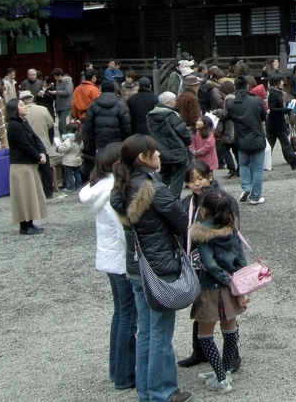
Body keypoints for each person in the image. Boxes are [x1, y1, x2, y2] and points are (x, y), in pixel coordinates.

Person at [110, 135, 192, 402]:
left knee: (145, 330)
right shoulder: (153, 188)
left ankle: (146, 390)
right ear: (142, 158)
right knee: (160, 333)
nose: (159, 155)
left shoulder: (120, 187)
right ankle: (162, 391)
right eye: (154, 151)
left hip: (136, 266)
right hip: (159, 267)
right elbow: (181, 221)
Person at [78, 144, 135, 391]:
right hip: (121, 260)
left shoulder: (98, 188)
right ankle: (124, 374)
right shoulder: (113, 192)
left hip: (109, 259)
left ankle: (117, 368)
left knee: (120, 314)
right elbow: (123, 233)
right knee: (128, 317)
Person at [189, 188, 249, 393]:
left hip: (210, 289)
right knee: (230, 329)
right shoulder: (232, 229)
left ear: (204, 211)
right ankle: (225, 369)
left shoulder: (202, 233)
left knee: (205, 334)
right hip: (231, 289)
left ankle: (221, 379)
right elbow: (241, 260)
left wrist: (223, 279)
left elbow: (209, 264)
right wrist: (236, 285)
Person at [7, 98, 49, 235]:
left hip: (29, 164)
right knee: (23, 196)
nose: (25, 107)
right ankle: (24, 225)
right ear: (14, 109)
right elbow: (24, 145)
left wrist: (42, 152)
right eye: (21, 105)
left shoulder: (24, 122)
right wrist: (38, 157)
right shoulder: (14, 125)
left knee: (31, 195)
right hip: (20, 165)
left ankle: (30, 222)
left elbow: (36, 139)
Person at [226, 76, 268, 205]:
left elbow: (230, 117)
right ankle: (255, 196)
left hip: (241, 138)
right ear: (248, 86)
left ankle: (246, 187)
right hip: (257, 137)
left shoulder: (231, 104)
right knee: (258, 168)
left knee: (243, 164)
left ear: (235, 87)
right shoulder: (256, 101)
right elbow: (263, 116)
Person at [82, 79, 133, 181]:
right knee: (116, 160)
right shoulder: (120, 104)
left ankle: (101, 180)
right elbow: (126, 125)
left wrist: (90, 141)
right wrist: (126, 140)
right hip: (116, 140)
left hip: (99, 139)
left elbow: (88, 126)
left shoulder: (93, 105)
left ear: (101, 89)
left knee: (101, 161)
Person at [146, 92, 192, 199]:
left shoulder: (150, 116)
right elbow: (184, 134)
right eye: (174, 100)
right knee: (178, 176)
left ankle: (157, 196)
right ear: (168, 102)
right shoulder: (172, 115)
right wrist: (188, 141)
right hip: (177, 150)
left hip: (161, 151)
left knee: (164, 174)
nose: (176, 102)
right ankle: (173, 199)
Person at [265, 75, 296, 170]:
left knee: (270, 145)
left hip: (275, 124)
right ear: (276, 83)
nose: (282, 83)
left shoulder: (278, 93)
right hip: (276, 124)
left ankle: (263, 163)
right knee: (285, 144)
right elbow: (273, 109)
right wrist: (286, 110)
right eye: (281, 81)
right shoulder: (273, 94)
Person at [59, 122, 84, 192]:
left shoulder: (68, 139)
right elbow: (82, 147)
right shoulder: (79, 139)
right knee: (77, 173)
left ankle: (71, 186)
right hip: (77, 159)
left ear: (68, 131)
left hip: (69, 160)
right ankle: (79, 185)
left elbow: (66, 148)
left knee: (69, 174)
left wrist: (59, 148)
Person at [51, 68, 74, 135]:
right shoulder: (58, 82)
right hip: (59, 105)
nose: (55, 78)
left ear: (60, 75)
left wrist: (56, 92)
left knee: (61, 122)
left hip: (66, 104)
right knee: (61, 122)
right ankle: (62, 136)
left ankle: (65, 135)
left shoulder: (68, 81)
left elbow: (68, 92)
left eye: (55, 76)